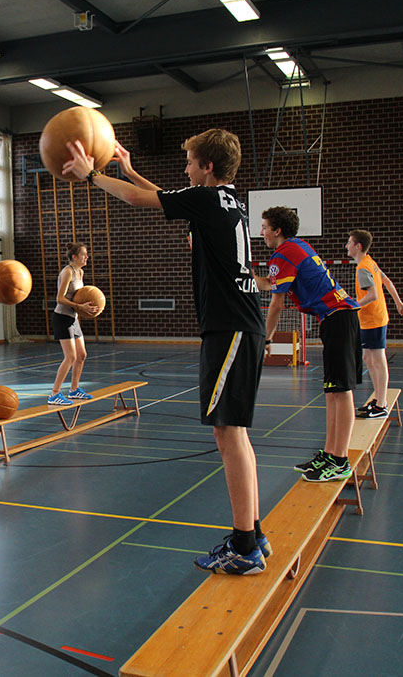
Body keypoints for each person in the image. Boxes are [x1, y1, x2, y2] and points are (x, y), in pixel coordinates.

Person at [64, 130, 270, 575]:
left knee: (228, 434)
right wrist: (130, 169)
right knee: (235, 433)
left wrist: (91, 175)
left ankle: (245, 547)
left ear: (207, 167)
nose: (185, 168)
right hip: (240, 326)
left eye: (190, 162)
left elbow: (139, 200)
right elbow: (167, 199)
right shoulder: (225, 201)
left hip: (230, 328)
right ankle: (253, 534)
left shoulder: (208, 200)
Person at [254, 207, 361, 483]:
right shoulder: (296, 246)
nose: (261, 232)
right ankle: (330, 453)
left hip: (339, 318)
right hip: (335, 318)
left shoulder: (283, 254)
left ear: (277, 230)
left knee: (341, 391)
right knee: (332, 391)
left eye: (264, 227)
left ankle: (340, 461)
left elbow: (276, 304)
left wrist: (266, 338)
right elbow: (269, 284)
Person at [345, 229, 403, 419]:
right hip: (370, 319)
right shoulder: (369, 262)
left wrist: (353, 306)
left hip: (373, 319)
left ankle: (381, 405)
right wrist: (399, 303)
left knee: (378, 360)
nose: (346, 245)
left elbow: (373, 295)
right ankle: (378, 398)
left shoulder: (363, 268)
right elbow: (387, 282)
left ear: (358, 246)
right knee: (368, 358)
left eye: (349, 242)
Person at [49, 242, 100, 405]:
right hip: (62, 318)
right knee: (70, 357)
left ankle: (74, 389)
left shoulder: (80, 272)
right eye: (84, 254)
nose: (87, 257)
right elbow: (60, 298)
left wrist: (86, 307)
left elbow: (79, 296)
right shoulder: (67, 272)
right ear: (74, 257)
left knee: (81, 355)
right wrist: (79, 307)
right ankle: (54, 394)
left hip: (73, 318)